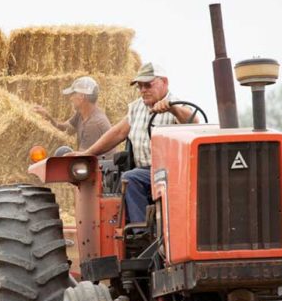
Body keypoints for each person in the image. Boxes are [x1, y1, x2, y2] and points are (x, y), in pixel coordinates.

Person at [72, 62, 197, 225]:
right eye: (140, 86)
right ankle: (131, 228)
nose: (143, 90)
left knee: (130, 178)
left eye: (148, 85)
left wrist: (172, 109)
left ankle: (140, 232)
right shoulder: (137, 107)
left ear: (164, 82)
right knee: (123, 179)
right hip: (145, 171)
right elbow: (118, 132)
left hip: (170, 172)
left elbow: (193, 122)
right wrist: (87, 153)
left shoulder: (177, 105)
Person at [33, 76, 115, 159]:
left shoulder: (94, 124)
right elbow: (66, 129)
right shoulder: (81, 114)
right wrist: (47, 116)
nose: (71, 98)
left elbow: (82, 159)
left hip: (102, 169)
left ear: (82, 96)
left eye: (73, 94)